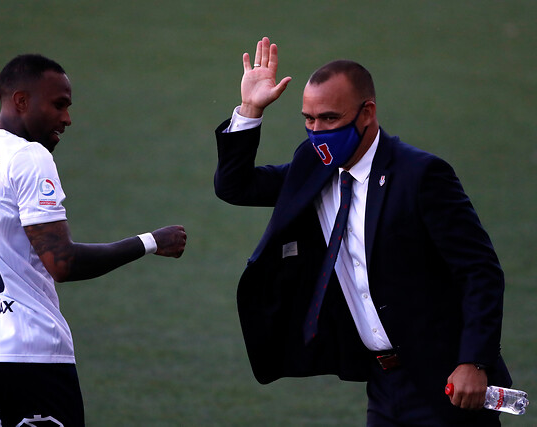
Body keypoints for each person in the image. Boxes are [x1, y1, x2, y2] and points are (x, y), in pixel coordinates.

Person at [214, 37, 511, 426]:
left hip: (446, 380)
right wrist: (251, 110)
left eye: (329, 118)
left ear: (367, 112)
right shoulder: (314, 165)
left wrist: (474, 360)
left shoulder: (421, 175)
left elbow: (479, 271)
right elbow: (236, 187)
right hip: (382, 381)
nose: (317, 131)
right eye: (308, 119)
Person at [0, 54, 187, 427]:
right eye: (59, 105)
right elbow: (62, 262)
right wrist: (151, 241)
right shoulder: (27, 156)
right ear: (21, 101)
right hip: (33, 356)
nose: (67, 118)